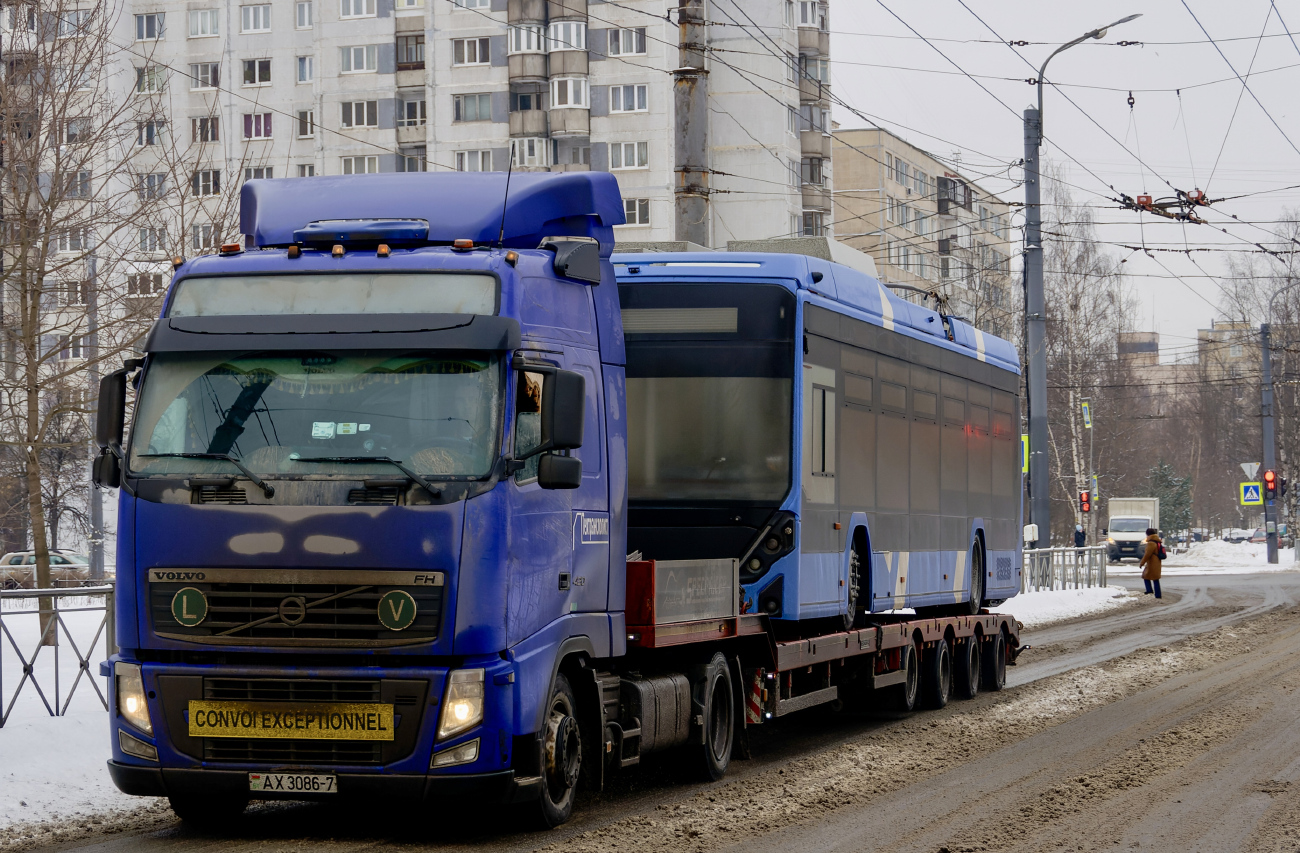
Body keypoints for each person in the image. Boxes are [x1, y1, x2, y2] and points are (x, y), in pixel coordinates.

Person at [1139, 527, 1163, 599]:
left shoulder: (1151, 543)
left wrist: (1142, 563)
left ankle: (1151, 591)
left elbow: (1147, 554)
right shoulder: (1157, 541)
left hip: (1152, 563)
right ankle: (1156, 593)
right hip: (1157, 562)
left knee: (1146, 576)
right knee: (1155, 578)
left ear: (1148, 534)